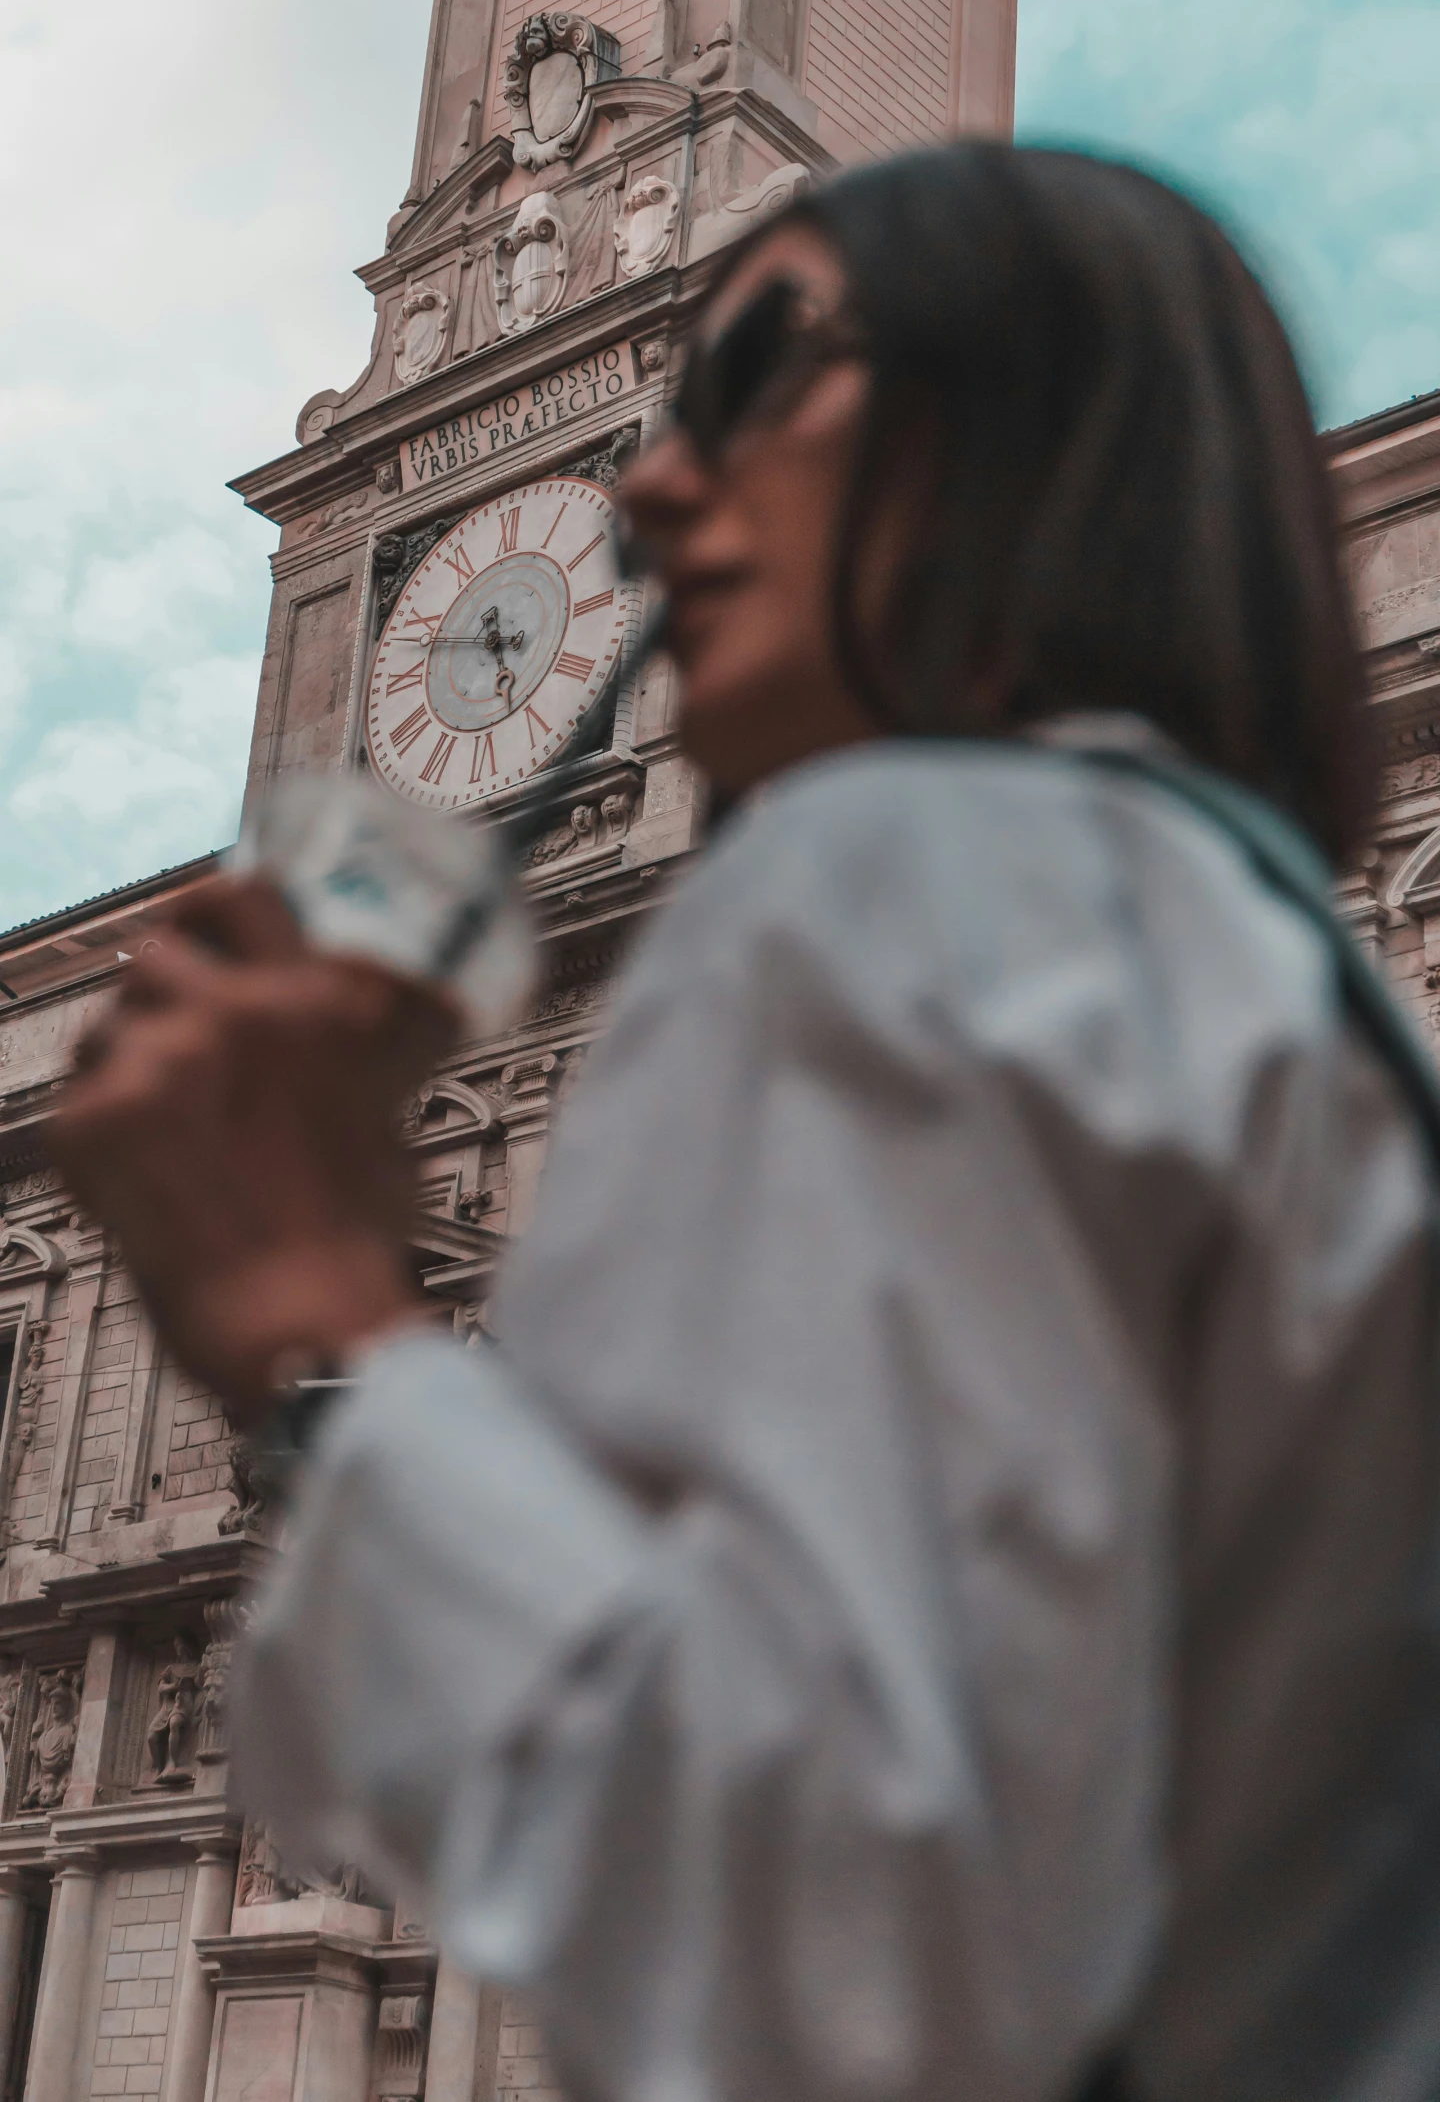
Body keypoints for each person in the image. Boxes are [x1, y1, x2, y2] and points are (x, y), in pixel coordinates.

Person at [53, 144, 1440, 2102]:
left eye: (758, 384)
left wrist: (303, 1313)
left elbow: (822, 1925)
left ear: (1014, 439)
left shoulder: (881, 877)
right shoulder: (1264, 972)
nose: (646, 485)